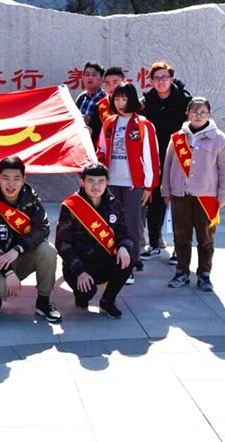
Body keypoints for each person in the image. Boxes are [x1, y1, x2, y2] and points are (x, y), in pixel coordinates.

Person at [0, 156, 61, 323]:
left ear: (23, 179)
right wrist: (8, 272)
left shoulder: (30, 198)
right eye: (6, 178)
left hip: (23, 255)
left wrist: (18, 249)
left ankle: (43, 302)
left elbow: (43, 228)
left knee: (48, 251)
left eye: (16, 179)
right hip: (0, 262)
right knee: (0, 288)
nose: (11, 184)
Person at [161, 97, 225, 291]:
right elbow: (167, 166)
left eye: (203, 113)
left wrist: (223, 196)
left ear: (209, 115)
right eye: (194, 112)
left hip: (206, 196)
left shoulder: (219, 139)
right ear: (188, 114)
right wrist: (166, 191)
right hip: (180, 194)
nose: (198, 116)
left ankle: (204, 274)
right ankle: (182, 271)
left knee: (205, 237)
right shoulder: (177, 138)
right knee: (181, 236)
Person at [97, 83, 159, 284]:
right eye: (116, 98)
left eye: (124, 99)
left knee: (133, 224)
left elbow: (151, 157)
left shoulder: (144, 125)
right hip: (111, 182)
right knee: (111, 222)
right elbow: (102, 150)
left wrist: (149, 186)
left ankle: (130, 265)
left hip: (135, 184)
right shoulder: (109, 122)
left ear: (132, 100)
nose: (120, 103)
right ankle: (112, 262)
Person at [55, 163, 133, 318]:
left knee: (127, 261)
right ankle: (81, 295)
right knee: (86, 294)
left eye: (100, 182)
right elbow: (62, 244)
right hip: (78, 265)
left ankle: (107, 301)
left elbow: (124, 232)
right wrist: (80, 271)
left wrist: (124, 247)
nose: (96, 186)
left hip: (103, 261)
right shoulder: (71, 206)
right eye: (91, 181)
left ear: (107, 182)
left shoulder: (114, 205)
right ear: (82, 182)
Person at [140, 61, 191, 263]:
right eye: (156, 78)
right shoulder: (145, 103)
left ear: (171, 79)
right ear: (151, 81)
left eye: (164, 77)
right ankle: (154, 244)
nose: (161, 82)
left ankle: (180, 248)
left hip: (178, 158)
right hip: (153, 159)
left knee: (179, 203)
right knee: (154, 203)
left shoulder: (185, 101)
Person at [74, 61, 106, 143]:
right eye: (87, 75)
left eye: (94, 75)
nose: (90, 77)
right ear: (83, 78)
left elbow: (107, 126)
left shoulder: (106, 100)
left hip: (97, 145)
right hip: (79, 143)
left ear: (101, 79)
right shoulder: (81, 98)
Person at [92, 67, 126, 143]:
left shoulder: (135, 105)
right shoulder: (99, 107)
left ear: (124, 81)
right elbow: (95, 136)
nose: (111, 87)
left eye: (115, 83)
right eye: (108, 83)